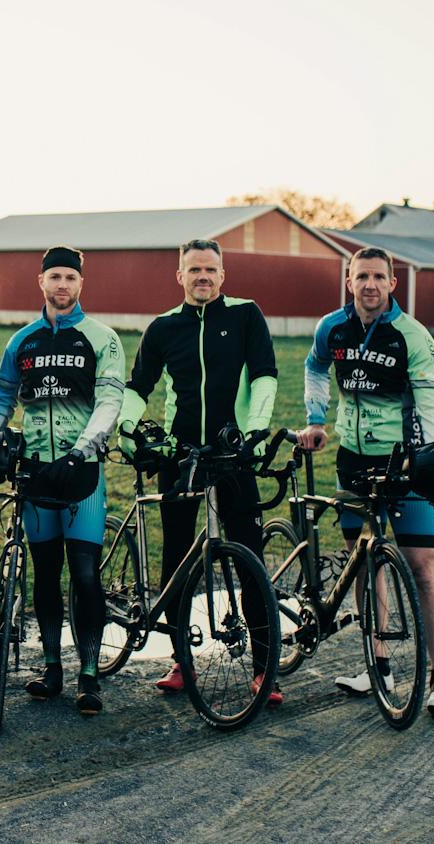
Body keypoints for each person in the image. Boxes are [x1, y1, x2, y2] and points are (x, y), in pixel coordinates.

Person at [117, 238, 280, 705]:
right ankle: (180, 661)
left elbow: (265, 373)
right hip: (180, 456)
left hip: (232, 455)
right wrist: (129, 431)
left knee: (249, 556)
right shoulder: (164, 327)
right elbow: (139, 385)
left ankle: (264, 668)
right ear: (180, 276)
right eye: (194, 270)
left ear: (223, 275)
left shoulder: (246, 315)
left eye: (210, 269)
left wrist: (254, 433)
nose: (202, 277)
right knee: (177, 560)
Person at [298, 246, 434, 718]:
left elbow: (431, 403)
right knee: (365, 565)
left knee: (423, 567)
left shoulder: (413, 336)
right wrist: (316, 419)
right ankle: (378, 666)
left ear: (392, 283)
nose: (370, 285)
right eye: (361, 276)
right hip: (353, 463)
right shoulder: (332, 328)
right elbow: (313, 368)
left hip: (406, 465)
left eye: (378, 277)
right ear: (350, 282)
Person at [0, 246, 124, 715]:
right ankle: (53, 668)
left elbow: (110, 401)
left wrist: (82, 450)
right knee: (44, 575)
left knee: (84, 575)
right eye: (54, 276)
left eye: (70, 278)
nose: (62, 285)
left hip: (82, 473)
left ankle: (90, 674)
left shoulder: (102, 338)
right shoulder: (23, 341)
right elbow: (2, 400)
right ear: (41, 281)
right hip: (36, 470)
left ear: (80, 284)